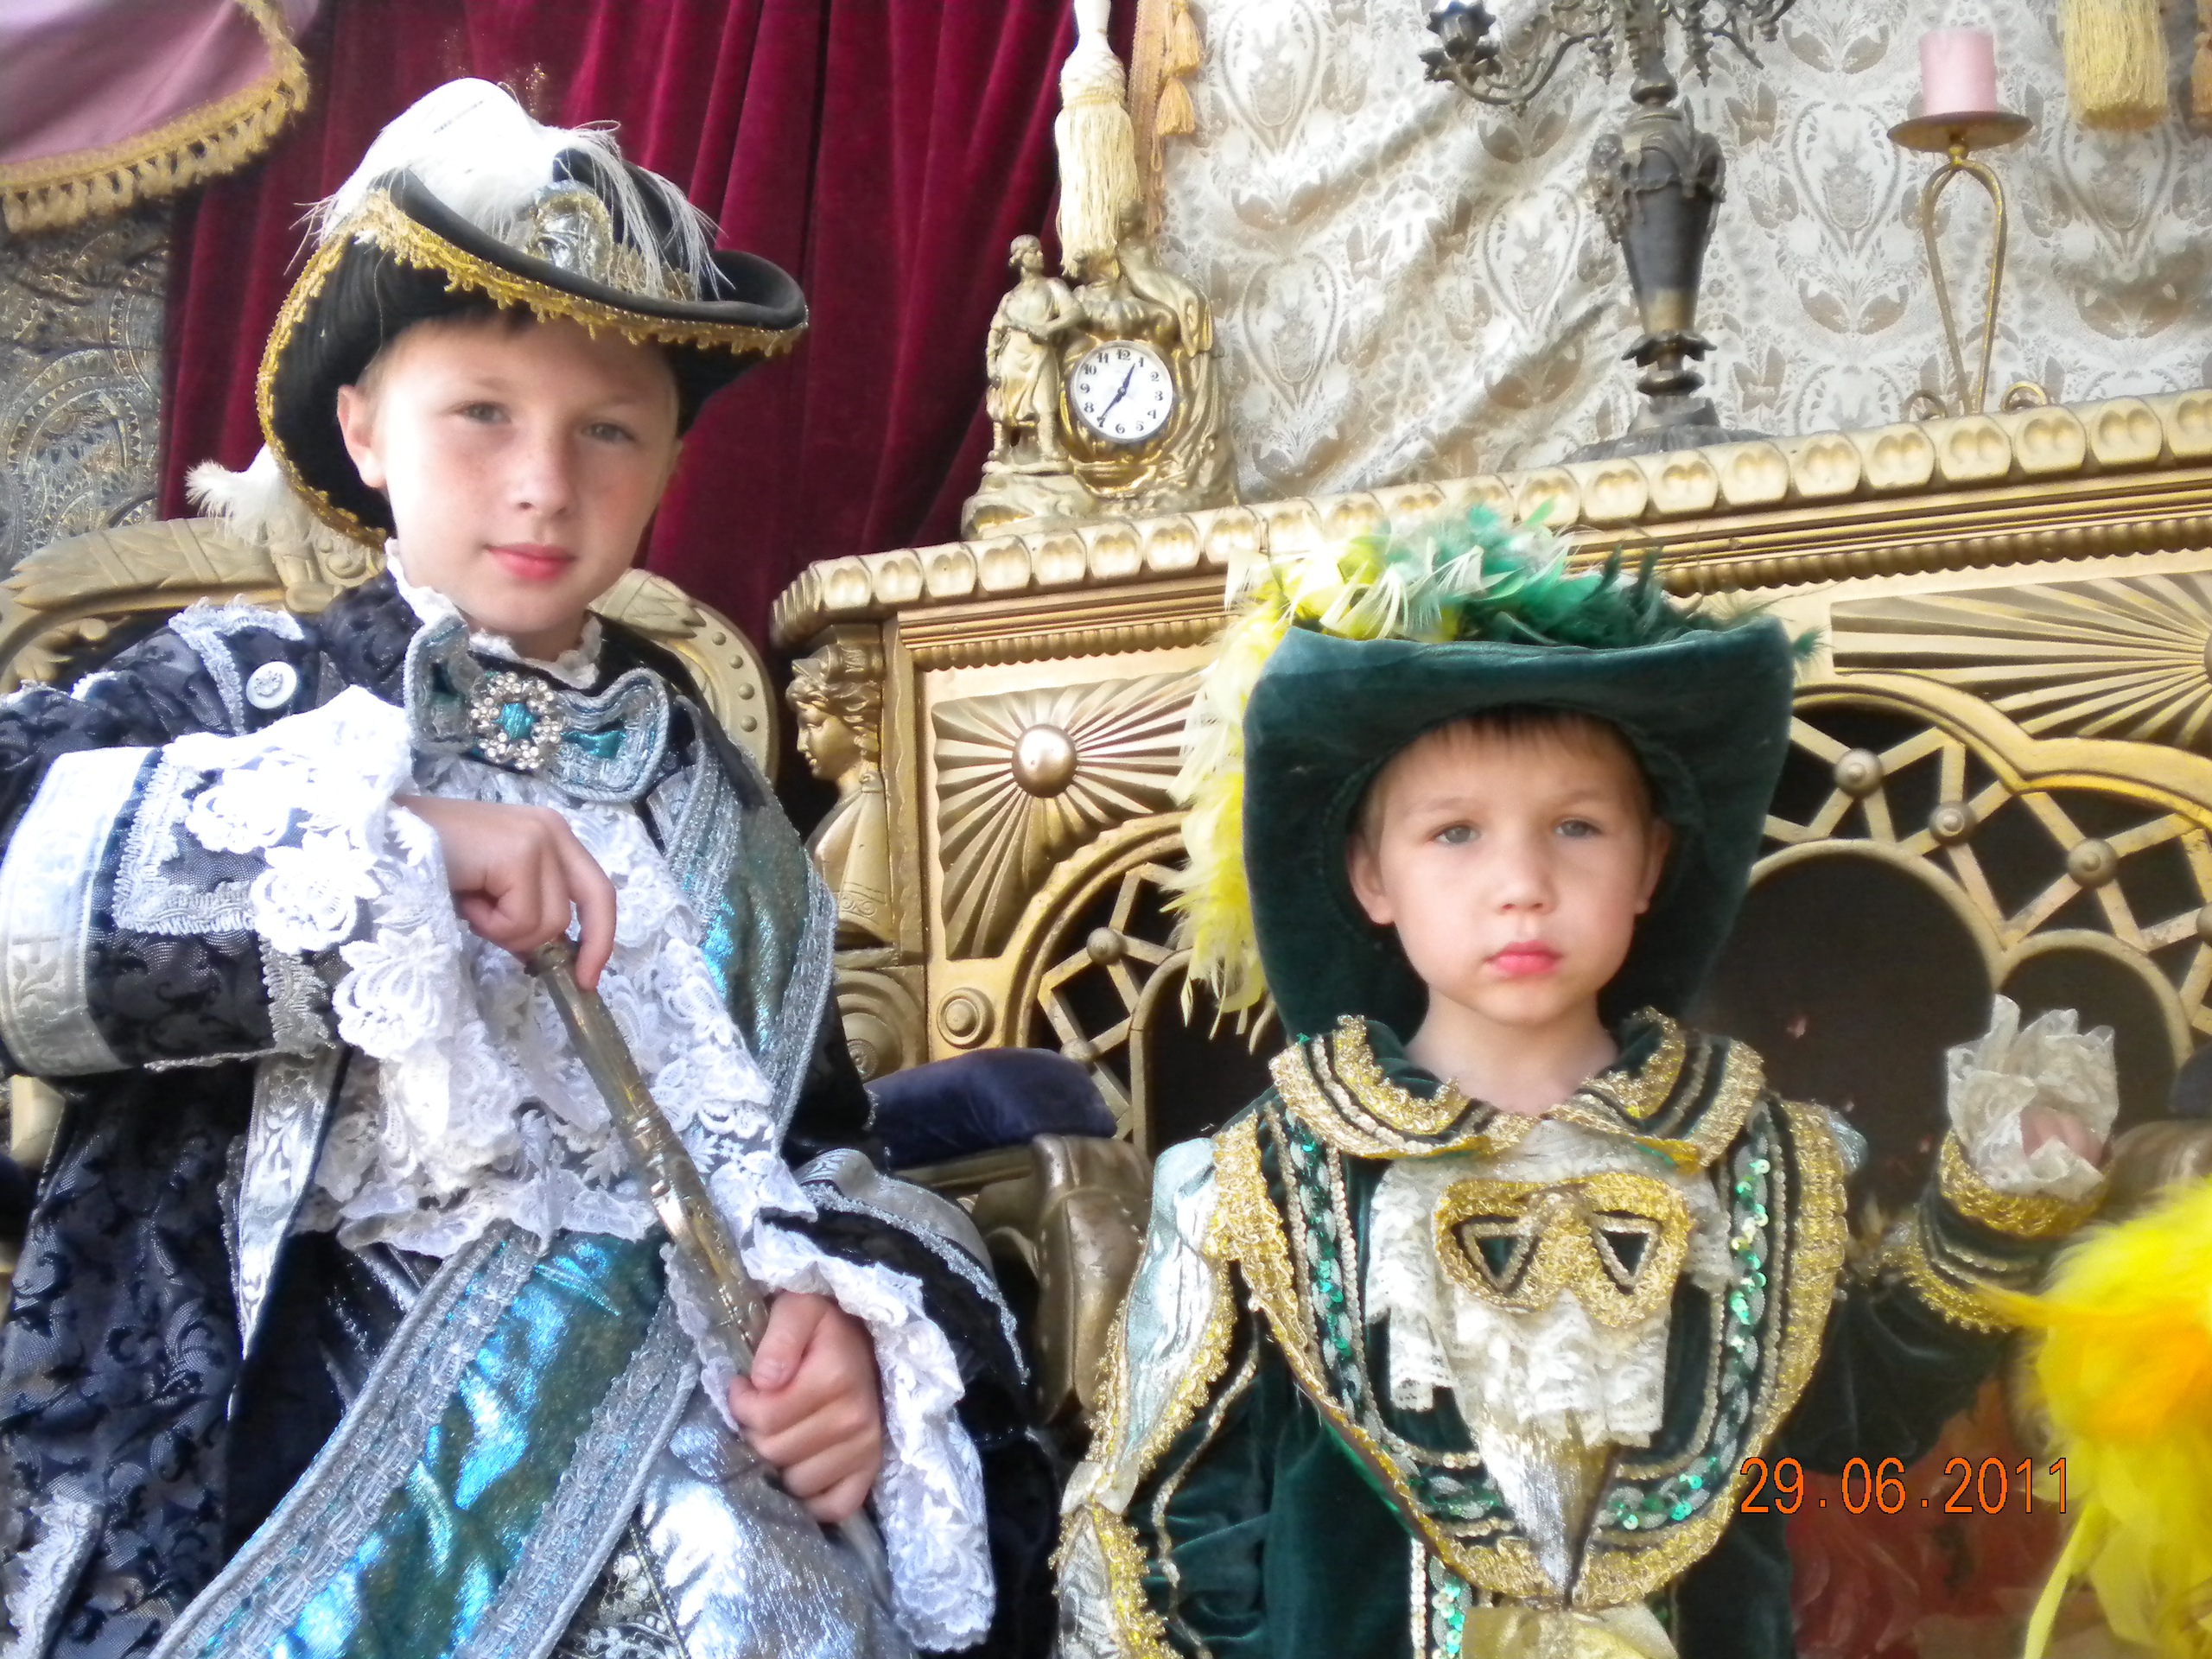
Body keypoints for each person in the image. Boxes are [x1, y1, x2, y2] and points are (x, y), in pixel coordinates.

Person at [0, 79, 1054, 1659]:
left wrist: (854, 1334)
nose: (545, 481)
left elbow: (817, 1149)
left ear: (669, 460)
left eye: (608, 429)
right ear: (364, 428)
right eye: (482, 412)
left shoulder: (705, 790)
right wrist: (395, 844)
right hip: (299, 1450)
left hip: (705, 1437)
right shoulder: (242, 693)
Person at [1055, 511, 2114, 1659]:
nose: (1522, 883)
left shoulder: (1757, 1160)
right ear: (1371, 875)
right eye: (1455, 833)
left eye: (1576, 827)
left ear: (1651, 861)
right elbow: (1165, 1531)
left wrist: (1994, 1213)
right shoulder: (1264, 1184)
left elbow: (1856, 1421)